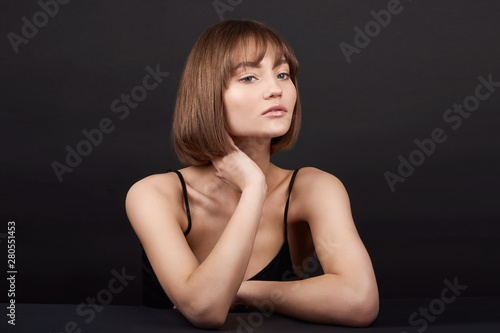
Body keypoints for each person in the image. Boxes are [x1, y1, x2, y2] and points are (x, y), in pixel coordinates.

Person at [125, 20, 379, 329]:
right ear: (208, 96)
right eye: (249, 77)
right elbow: (205, 310)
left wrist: (241, 290)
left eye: (283, 74)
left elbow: (360, 302)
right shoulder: (154, 195)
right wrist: (254, 187)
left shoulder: (315, 188)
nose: (276, 90)